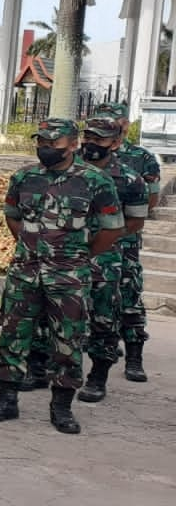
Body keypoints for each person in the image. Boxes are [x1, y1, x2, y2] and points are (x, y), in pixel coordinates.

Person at [0, 118, 121, 434]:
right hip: (25, 273)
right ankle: (6, 400)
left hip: (69, 277)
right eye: (41, 143)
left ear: (72, 146)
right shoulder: (25, 177)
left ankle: (62, 408)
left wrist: (79, 256)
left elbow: (112, 229)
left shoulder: (95, 181)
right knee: (13, 337)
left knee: (67, 341)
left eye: (52, 145)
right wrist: (32, 248)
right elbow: (13, 217)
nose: (45, 149)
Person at [76, 116, 148, 403]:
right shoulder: (68, 171)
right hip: (66, 254)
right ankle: (48, 369)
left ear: (116, 143)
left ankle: (98, 376)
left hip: (107, 256)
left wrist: (101, 241)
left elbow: (135, 221)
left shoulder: (130, 179)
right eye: (88, 138)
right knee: (58, 314)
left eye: (100, 139)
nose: (92, 144)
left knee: (105, 316)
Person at [92, 102, 159, 383]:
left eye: (112, 123)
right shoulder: (83, 161)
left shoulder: (141, 158)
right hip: (88, 242)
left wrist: (119, 229)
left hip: (125, 241)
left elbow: (150, 201)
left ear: (124, 127)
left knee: (128, 296)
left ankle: (134, 357)